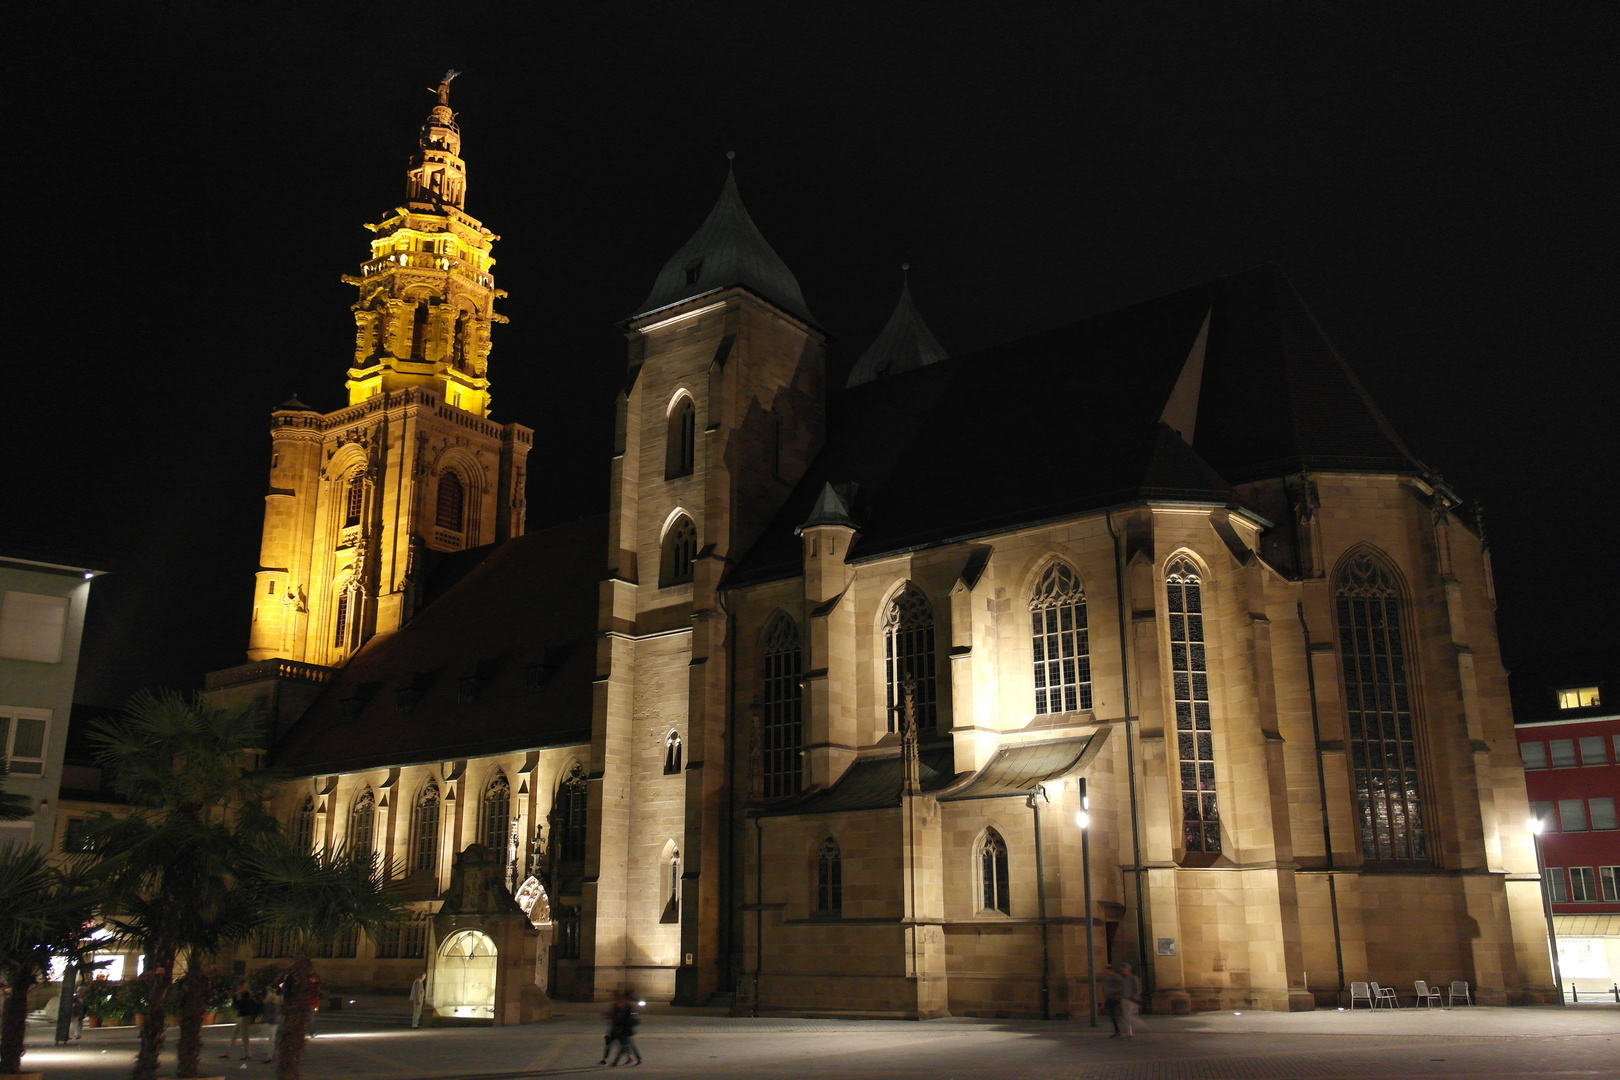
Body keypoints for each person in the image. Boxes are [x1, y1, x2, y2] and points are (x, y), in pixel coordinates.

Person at [599, 988, 642, 1067]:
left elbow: (624, 1016)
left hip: (622, 1028)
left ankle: (616, 1061)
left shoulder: (623, 1005)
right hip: (619, 1027)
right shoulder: (619, 1004)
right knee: (623, 1044)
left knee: (624, 1044)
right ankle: (631, 1058)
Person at [222, 981, 259, 1060]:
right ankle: (227, 1052)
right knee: (235, 1033)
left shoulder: (246, 995)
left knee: (243, 1034)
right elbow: (237, 1005)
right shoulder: (242, 995)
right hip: (242, 1015)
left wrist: (237, 997)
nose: (238, 988)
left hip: (245, 1016)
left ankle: (247, 1054)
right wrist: (234, 997)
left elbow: (243, 1005)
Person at [1100, 964, 1127, 1038]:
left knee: (1113, 1014)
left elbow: (1123, 986)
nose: (1105, 972)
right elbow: (1105, 987)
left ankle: (1118, 1030)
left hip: (1115, 997)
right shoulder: (1106, 977)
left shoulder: (1116, 977)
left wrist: (1119, 995)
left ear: (1110, 970)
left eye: (1106, 970)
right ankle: (1118, 1029)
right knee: (1112, 1014)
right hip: (1109, 997)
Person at [1118, 962, 1142, 1038]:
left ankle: (1139, 1025)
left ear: (1128, 970)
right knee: (1126, 1016)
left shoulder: (1133, 978)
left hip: (1131, 1000)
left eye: (1124, 970)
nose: (1122, 972)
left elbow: (1137, 989)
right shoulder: (1123, 979)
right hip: (1124, 999)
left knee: (1128, 1016)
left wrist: (1135, 996)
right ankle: (1129, 1032)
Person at [259, 986, 282, 1064]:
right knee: (272, 1038)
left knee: (271, 1038)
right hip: (273, 1021)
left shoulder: (272, 999)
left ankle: (270, 1055)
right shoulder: (277, 999)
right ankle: (271, 1054)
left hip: (271, 1021)